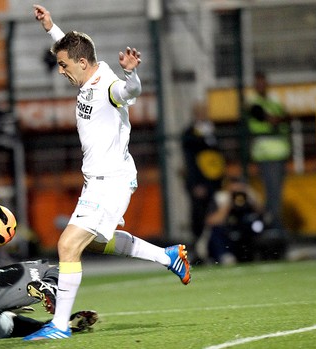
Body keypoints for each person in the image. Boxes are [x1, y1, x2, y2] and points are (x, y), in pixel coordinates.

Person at [25, 5, 191, 341]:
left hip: (110, 183)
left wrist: (131, 74)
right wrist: (50, 27)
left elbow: (129, 93)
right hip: (97, 183)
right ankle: (168, 255)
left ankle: (58, 326)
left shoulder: (109, 85)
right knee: (98, 244)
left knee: (67, 245)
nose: (61, 71)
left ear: (82, 64)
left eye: (63, 65)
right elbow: (69, 48)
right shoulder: (85, 70)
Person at [247, 71, 291, 232]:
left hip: (280, 153)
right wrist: (274, 119)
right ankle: (273, 228)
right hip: (266, 155)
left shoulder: (274, 100)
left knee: (276, 195)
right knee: (272, 195)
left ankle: (273, 226)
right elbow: (266, 118)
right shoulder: (252, 102)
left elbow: (285, 116)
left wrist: (277, 119)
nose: (261, 86)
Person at [181, 104, 225, 259]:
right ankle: (197, 252)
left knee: (216, 215)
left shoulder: (212, 131)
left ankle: (214, 249)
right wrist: (196, 184)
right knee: (199, 217)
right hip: (200, 182)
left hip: (214, 181)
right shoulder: (189, 133)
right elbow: (190, 162)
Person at [205, 176, 266, 265]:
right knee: (217, 231)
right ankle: (224, 255)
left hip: (243, 230)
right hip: (227, 231)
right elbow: (211, 221)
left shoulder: (248, 196)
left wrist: (249, 194)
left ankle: (259, 254)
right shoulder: (220, 197)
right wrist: (229, 201)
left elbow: (262, 211)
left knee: (256, 226)